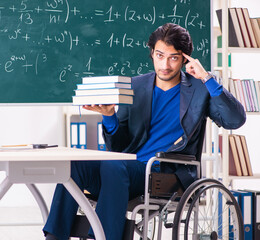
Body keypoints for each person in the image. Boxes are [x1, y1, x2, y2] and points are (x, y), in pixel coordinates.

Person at [43, 23, 246, 240]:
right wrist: (109, 116)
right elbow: (118, 147)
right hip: (125, 168)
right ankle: (54, 237)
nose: (165, 64)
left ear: (185, 59)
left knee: (115, 166)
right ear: (152, 53)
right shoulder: (135, 86)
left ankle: (103, 237)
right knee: (74, 166)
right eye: (160, 55)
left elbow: (235, 120)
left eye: (173, 58)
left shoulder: (200, 89)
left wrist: (207, 78)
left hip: (166, 172)